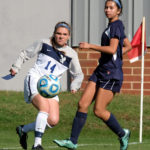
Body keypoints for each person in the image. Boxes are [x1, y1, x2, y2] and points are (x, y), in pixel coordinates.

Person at [53, 0, 132, 150]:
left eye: (111, 8)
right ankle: (73, 141)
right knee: (82, 104)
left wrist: (90, 46)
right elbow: (127, 46)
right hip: (101, 70)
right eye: (106, 7)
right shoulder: (112, 26)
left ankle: (123, 134)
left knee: (99, 110)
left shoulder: (116, 25)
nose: (107, 10)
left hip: (111, 74)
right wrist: (115, 57)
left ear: (119, 11)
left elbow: (112, 49)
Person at [10, 21, 84, 150]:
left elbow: (78, 74)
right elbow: (25, 53)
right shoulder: (44, 43)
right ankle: (37, 144)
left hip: (51, 88)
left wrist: (75, 85)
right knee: (43, 108)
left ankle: (23, 129)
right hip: (36, 79)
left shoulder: (71, 54)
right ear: (54, 34)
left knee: (53, 120)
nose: (61, 36)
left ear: (69, 36)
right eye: (58, 33)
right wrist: (16, 67)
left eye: (64, 34)